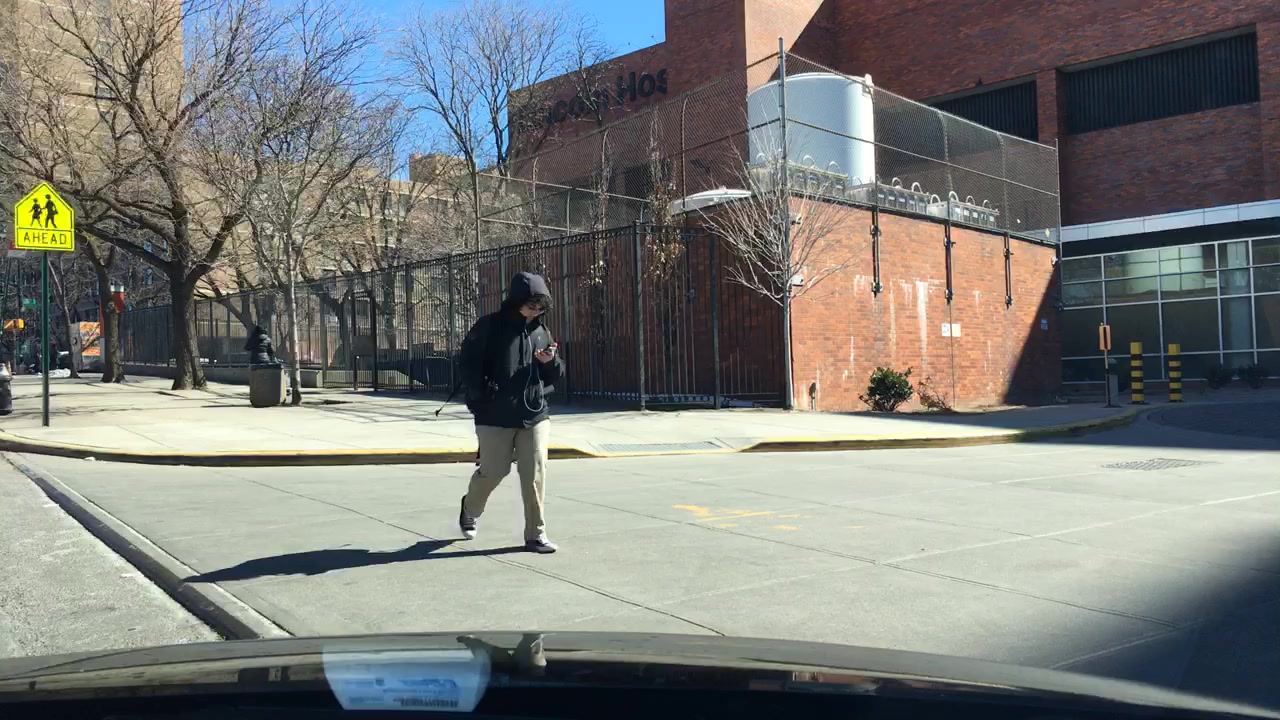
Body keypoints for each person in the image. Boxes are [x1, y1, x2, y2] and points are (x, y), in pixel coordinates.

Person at [457, 272, 563, 554]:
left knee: (534, 474)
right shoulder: (489, 326)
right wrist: (481, 396)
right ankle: (470, 509)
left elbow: (556, 373)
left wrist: (550, 362)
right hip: (495, 415)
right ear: (516, 301)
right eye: (530, 306)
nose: (535, 312)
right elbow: (467, 364)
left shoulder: (541, 331)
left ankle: (536, 534)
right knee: (493, 471)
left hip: (535, 412)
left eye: (540, 307)